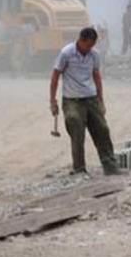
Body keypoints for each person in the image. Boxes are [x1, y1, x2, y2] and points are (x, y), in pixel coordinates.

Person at [49, 27, 122, 176]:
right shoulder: (66, 53)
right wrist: (52, 100)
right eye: (87, 45)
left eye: (92, 46)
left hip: (91, 98)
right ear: (80, 40)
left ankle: (110, 166)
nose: (89, 49)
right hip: (72, 100)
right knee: (76, 127)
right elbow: (56, 75)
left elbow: (96, 76)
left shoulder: (94, 55)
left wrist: (101, 99)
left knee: (102, 129)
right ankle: (79, 169)